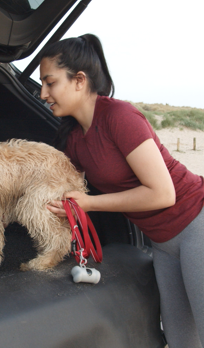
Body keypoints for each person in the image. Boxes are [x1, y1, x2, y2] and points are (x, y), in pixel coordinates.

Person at [39, 34, 204, 348]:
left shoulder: (120, 117)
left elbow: (162, 194)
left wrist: (90, 203)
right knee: (181, 337)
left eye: (50, 82)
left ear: (79, 80)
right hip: (163, 242)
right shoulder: (75, 138)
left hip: (195, 223)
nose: (42, 92)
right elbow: (65, 188)